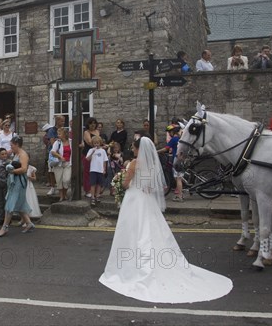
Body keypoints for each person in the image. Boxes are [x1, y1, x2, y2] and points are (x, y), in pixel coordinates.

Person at [99, 137, 233, 303]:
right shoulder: (152, 164)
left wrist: (121, 180)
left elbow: (126, 184)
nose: (132, 150)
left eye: (134, 147)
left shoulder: (134, 163)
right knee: (151, 229)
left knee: (134, 230)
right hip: (147, 199)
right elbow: (151, 186)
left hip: (134, 199)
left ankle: (130, 263)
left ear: (138, 148)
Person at [0, 136, 35, 237]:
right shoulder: (16, 153)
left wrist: (11, 171)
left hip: (19, 182)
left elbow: (24, 169)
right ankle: (29, 224)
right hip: (15, 181)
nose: (10, 147)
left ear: (17, 144)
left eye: (12, 145)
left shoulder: (23, 154)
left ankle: (5, 227)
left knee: (10, 203)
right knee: (20, 203)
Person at [158, 124, 184, 202]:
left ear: (173, 132)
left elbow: (166, 148)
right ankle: (180, 194)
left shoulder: (174, 139)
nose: (169, 134)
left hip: (177, 159)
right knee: (179, 178)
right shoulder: (180, 138)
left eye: (169, 132)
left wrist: (156, 151)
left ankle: (180, 196)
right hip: (181, 159)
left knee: (178, 178)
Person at [51, 127, 72, 202]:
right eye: (58, 133)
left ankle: (65, 193)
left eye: (60, 133)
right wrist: (60, 156)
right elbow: (53, 151)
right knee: (59, 180)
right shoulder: (57, 142)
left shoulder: (71, 142)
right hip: (59, 164)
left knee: (66, 179)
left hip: (68, 163)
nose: (58, 135)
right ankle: (61, 196)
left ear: (65, 134)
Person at [86, 135, 108, 206]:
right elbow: (87, 159)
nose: (96, 144)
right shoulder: (90, 150)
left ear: (100, 143)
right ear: (93, 143)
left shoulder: (103, 151)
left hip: (100, 170)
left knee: (99, 184)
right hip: (93, 169)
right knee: (93, 184)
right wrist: (92, 152)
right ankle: (92, 196)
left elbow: (105, 161)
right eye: (95, 143)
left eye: (98, 143)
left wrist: (104, 169)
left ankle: (97, 195)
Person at [81, 117, 101, 197]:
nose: (93, 125)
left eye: (94, 123)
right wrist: (99, 145)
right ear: (88, 124)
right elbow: (90, 142)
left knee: (95, 172)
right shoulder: (86, 132)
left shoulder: (97, 131)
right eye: (91, 123)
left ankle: (95, 190)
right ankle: (87, 190)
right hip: (88, 154)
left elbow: (98, 141)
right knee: (87, 172)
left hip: (96, 154)